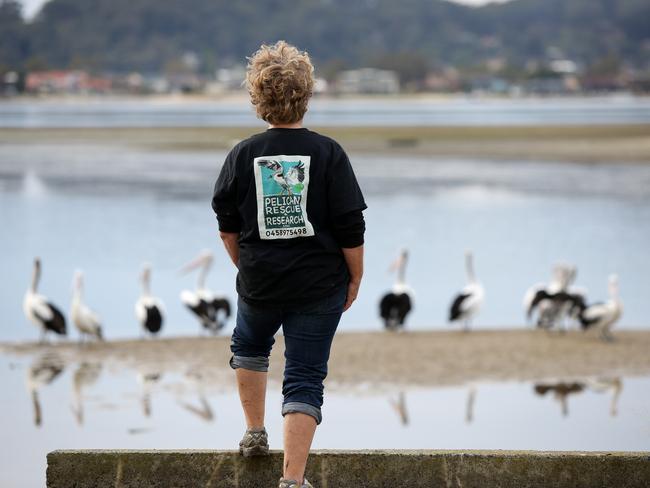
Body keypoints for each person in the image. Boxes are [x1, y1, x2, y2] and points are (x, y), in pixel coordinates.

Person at [211, 40, 367, 488]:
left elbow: (226, 225)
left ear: (258, 98)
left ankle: (255, 431)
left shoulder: (242, 155)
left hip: (259, 280)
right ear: (307, 94)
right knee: (304, 376)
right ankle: (293, 481)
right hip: (320, 286)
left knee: (249, 346)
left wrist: (247, 266)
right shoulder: (329, 153)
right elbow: (350, 226)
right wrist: (355, 276)